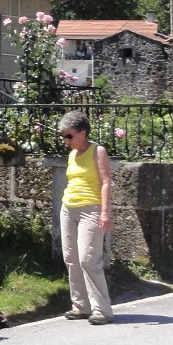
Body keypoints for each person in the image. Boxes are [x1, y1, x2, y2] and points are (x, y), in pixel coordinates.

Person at [58, 110, 114, 325]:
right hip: (68, 208)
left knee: (88, 259)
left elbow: (106, 182)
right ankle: (81, 306)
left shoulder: (97, 151)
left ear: (82, 133)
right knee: (71, 259)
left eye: (69, 136)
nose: (66, 140)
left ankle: (103, 309)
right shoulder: (72, 155)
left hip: (91, 209)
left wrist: (105, 212)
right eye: (64, 136)